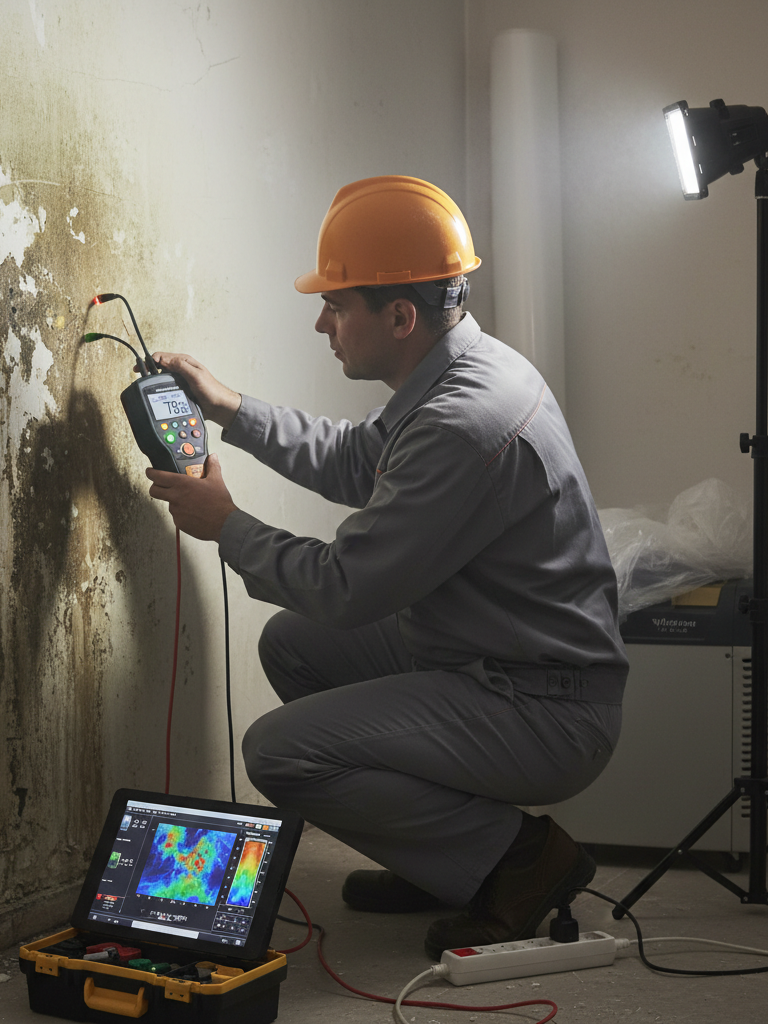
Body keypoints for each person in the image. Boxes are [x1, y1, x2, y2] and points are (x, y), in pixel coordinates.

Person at [144, 175, 628, 958]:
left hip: (544, 704)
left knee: (277, 750)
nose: (321, 322)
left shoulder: (465, 422)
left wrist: (226, 527)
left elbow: (347, 586)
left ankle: (518, 861)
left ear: (400, 316)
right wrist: (229, 406)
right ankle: (445, 859)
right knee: (291, 645)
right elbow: (354, 458)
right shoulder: (458, 373)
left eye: (337, 306)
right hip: (492, 650)